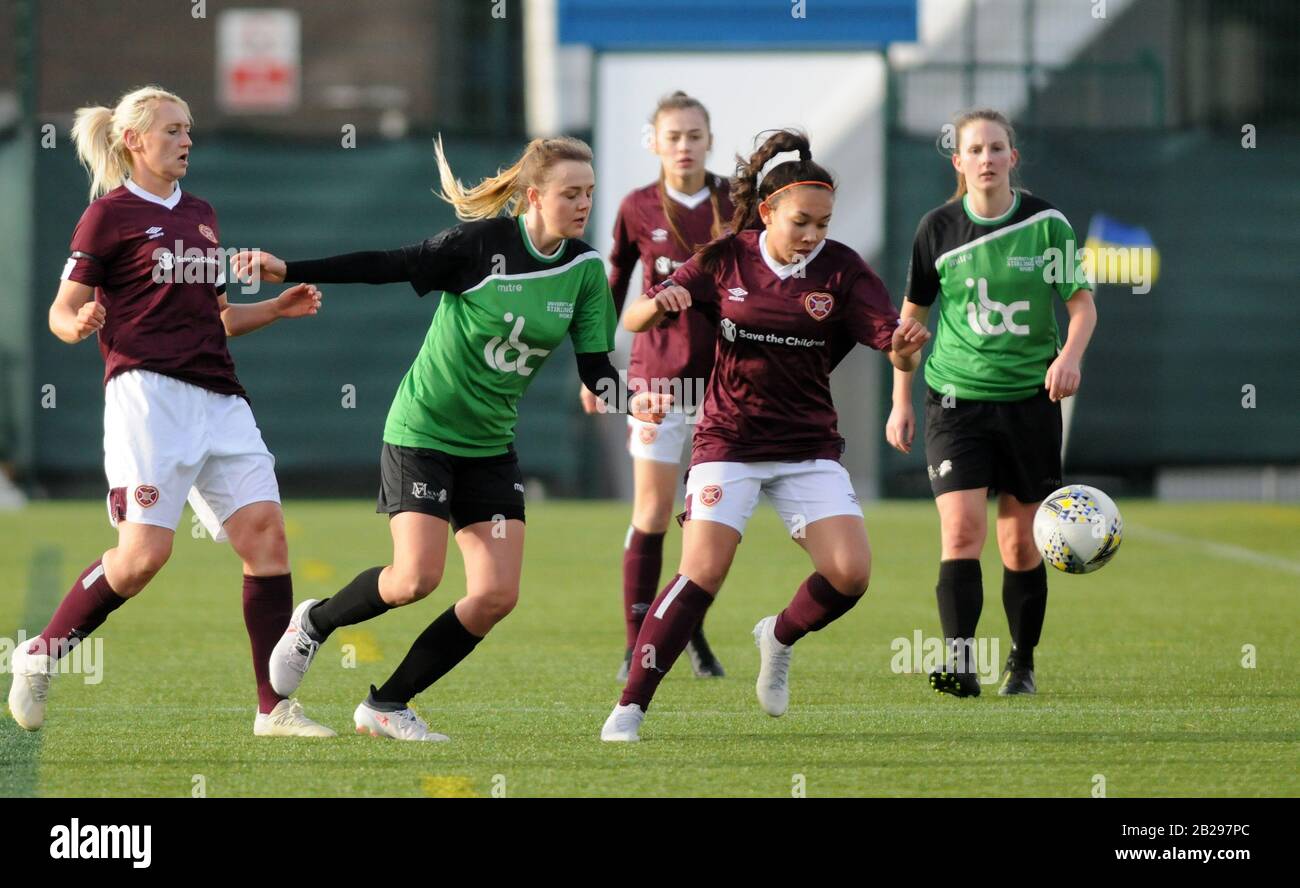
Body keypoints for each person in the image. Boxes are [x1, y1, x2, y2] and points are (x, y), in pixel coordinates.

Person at [232, 136, 669, 741]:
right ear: (533, 197)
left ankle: (386, 704)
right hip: (424, 432)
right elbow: (390, 263)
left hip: (490, 446)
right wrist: (291, 269)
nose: (583, 204)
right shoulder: (478, 246)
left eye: (590, 193)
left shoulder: (587, 271)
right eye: (571, 193)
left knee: (495, 595)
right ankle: (314, 622)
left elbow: (596, 371)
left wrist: (633, 399)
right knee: (415, 579)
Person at [8, 85, 333, 737]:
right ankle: (41, 653)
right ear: (133, 141)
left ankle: (273, 710)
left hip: (220, 395)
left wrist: (273, 308)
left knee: (266, 534)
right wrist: (78, 326)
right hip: (147, 398)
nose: (186, 140)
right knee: (142, 559)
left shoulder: (203, 215)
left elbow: (220, 317)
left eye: (188, 129)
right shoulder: (108, 216)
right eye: (172, 130)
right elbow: (60, 309)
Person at [600, 130, 930, 742]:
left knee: (851, 574)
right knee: (702, 571)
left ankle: (777, 635)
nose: (813, 234)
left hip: (808, 445)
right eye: (802, 221)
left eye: (823, 223)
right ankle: (630, 706)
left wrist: (906, 352)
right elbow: (632, 316)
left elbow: (895, 349)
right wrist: (662, 301)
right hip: (728, 438)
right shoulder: (727, 257)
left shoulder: (844, 270)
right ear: (768, 211)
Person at [885, 108, 1097, 697]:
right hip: (955, 401)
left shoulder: (1046, 224)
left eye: (996, 148)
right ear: (958, 162)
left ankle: (1022, 662)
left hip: (1030, 400)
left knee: (1020, 542)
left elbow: (1081, 305)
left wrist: (1069, 357)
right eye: (974, 150)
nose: (985, 158)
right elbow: (909, 323)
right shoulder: (937, 229)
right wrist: (901, 400)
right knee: (960, 533)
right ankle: (958, 663)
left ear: (1012, 158)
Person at [599, 91, 734, 680]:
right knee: (653, 511)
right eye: (673, 135)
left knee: (704, 521)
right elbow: (611, 288)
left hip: (726, 384)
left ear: (709, 139)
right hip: (658, 382)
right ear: (653, 142)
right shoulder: (636, 207)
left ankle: (688, 631)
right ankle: (638, 644)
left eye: (694, 135)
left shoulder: (738, 203)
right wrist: (597, 370)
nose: (684, 145)